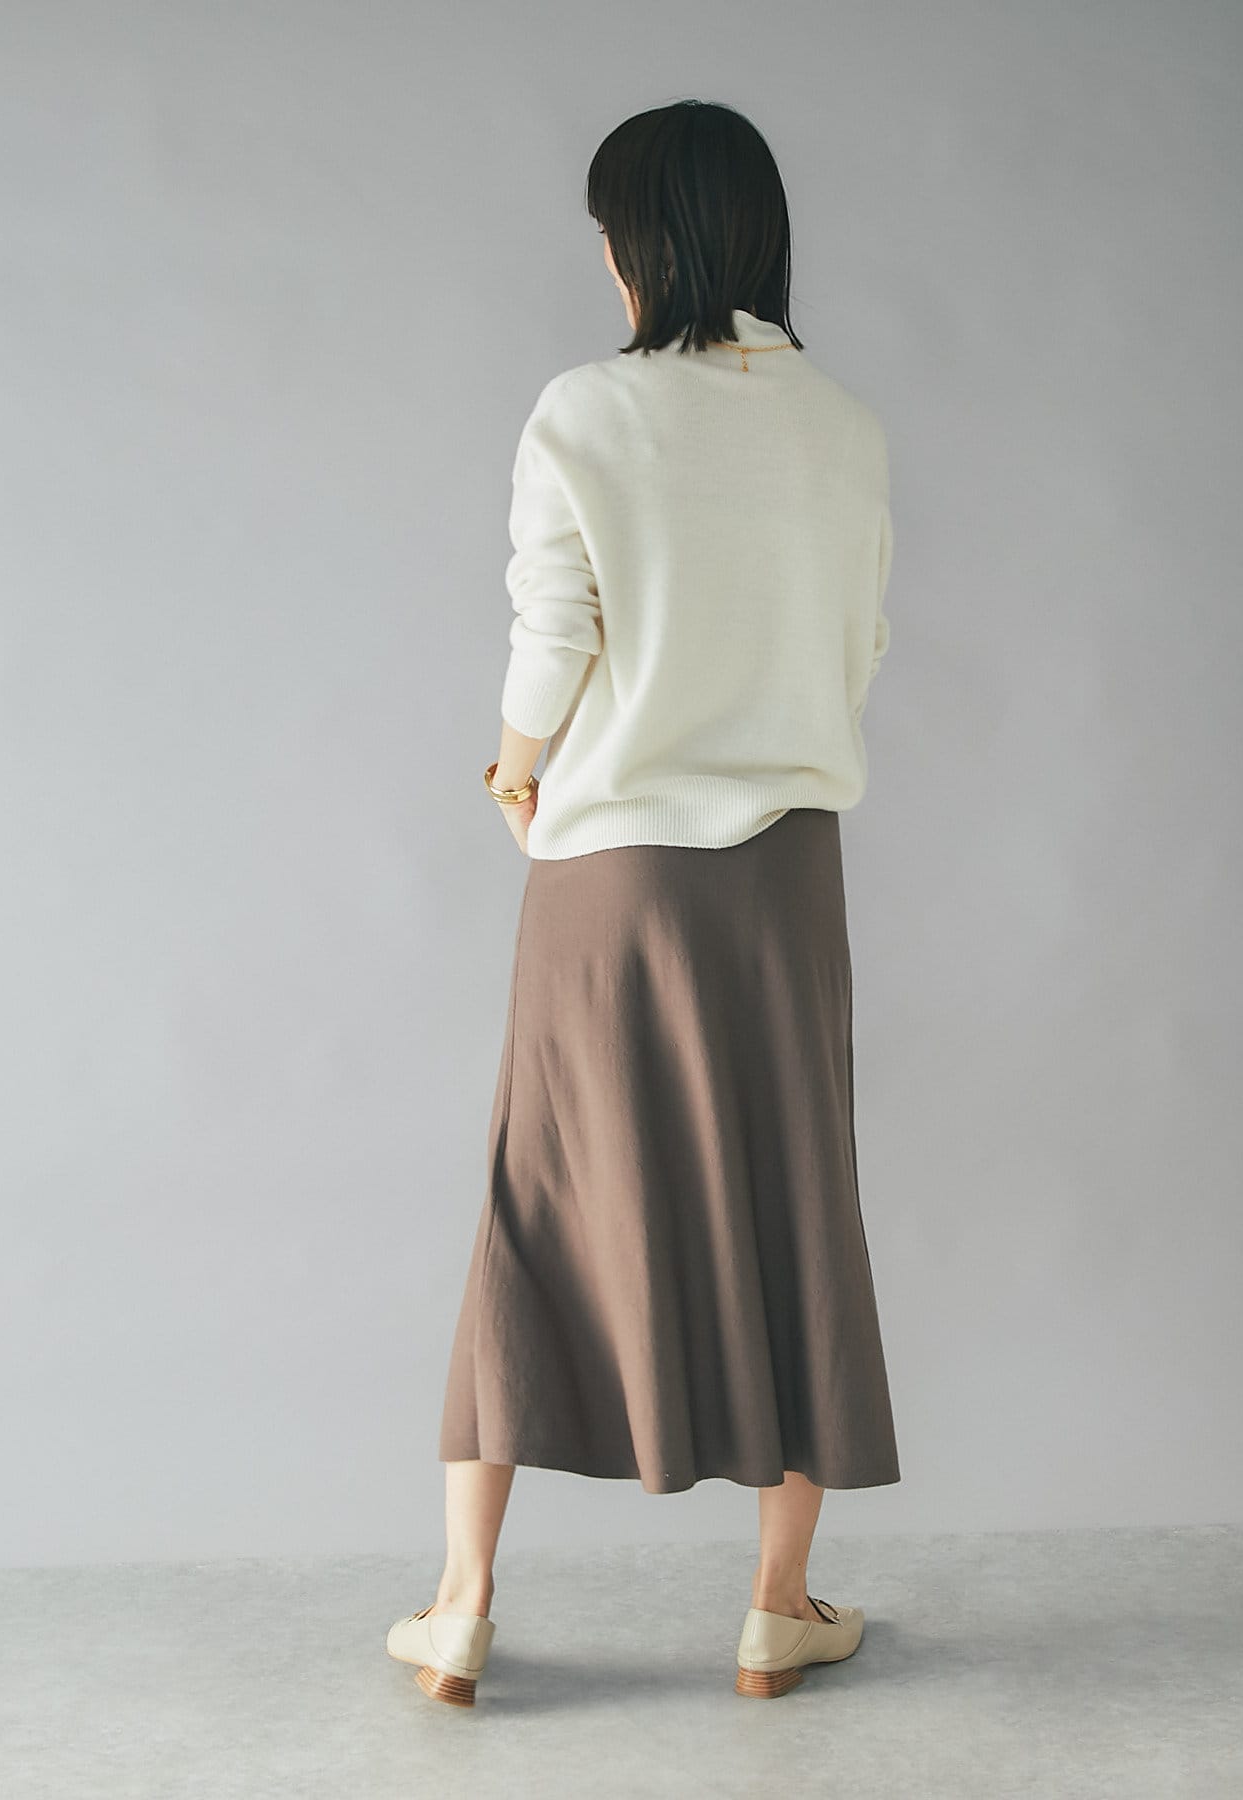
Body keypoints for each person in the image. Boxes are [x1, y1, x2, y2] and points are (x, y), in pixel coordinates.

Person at [386, 98, 898, 1708]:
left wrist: (513, 771)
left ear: (639, 248)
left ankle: (462, 1608)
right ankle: (778, 1608)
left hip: (609, 878)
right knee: (797, 1200)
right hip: (787, 878)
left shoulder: (587, 412)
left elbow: (557, 627)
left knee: (536, 1207)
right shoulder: (843, 426)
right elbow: (860, 642)